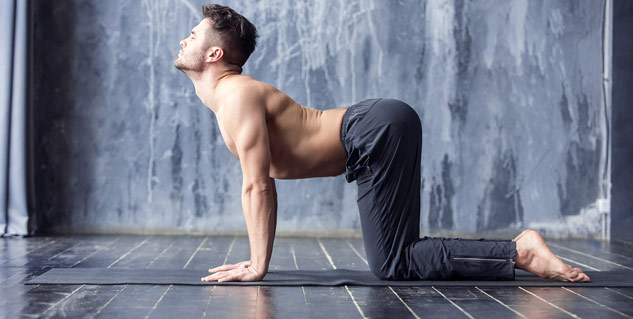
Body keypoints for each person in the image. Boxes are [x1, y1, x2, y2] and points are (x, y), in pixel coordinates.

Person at [173, 4, 590, 283]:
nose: (183, 41)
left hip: (372, 131)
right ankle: (517, 251)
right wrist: (256, 260)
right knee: (398, 256)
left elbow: (258, 185)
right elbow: (258, 184)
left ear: (214, 54)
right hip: (377, 130)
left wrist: (258, 266)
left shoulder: (236, 95)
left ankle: (521, 252)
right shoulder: (230, 98)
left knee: (394, 264)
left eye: (192, 35)